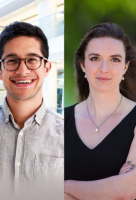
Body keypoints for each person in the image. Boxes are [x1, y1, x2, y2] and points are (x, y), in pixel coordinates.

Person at [0, 21, 64, 199]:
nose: (23, 70)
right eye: (12, 61)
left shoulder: (69, 133)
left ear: (47, 68)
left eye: (32, 60)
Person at [64, 22, 136, 200]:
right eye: (95, 58)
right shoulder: (59, 120)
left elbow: (127, 191)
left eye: (115, 59)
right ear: (83, 65)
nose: (104, 69)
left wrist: (65, 186)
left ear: (125, 67)